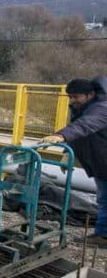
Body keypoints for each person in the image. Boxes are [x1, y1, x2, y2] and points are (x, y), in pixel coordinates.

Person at [42, 76, 107, 247]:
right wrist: (67, 152)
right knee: (103, 198)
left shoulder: (101, 108)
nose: (72, 100)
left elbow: (86, 125)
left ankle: (104, 236)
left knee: (105, 199)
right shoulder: (82, 108)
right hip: (102, 163)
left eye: (76, 96)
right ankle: (103, 234)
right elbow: (81, 134)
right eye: (70, 96)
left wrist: (61, 135)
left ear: (90, 95)